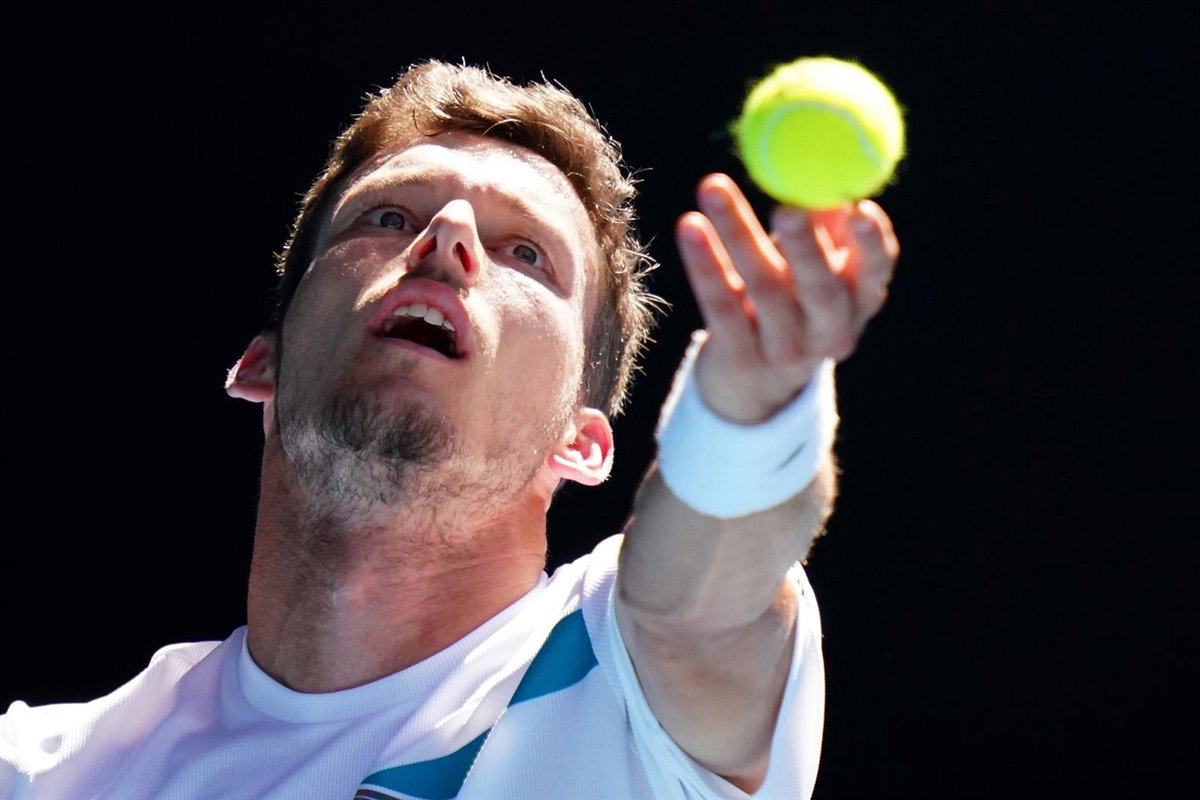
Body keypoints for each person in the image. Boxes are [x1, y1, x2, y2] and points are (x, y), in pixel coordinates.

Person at [0, 60, 898, 799]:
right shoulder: (45, 772)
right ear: (261, 365)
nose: (448, 234)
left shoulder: (624, 678)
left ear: (580, 442)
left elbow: (696, 602)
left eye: (527, 254)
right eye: (387, 216)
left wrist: (749, 413)